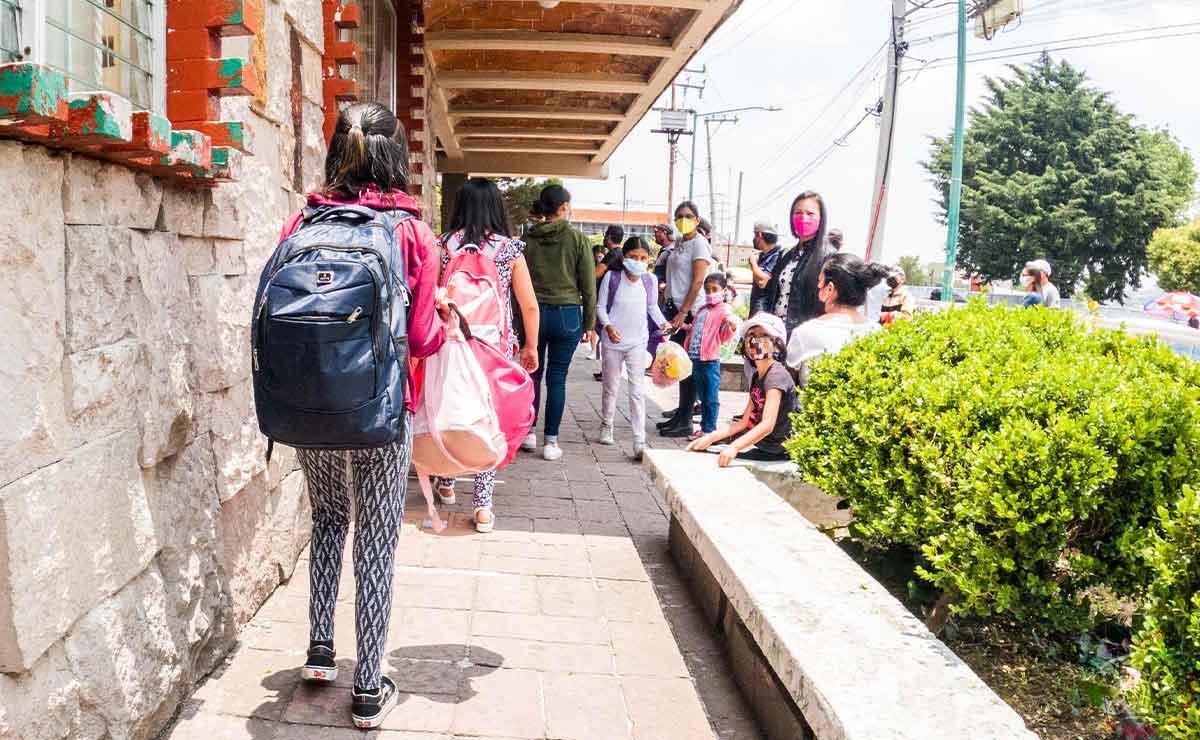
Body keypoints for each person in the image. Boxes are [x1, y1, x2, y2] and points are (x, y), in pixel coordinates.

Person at [278, 102, 450, 728]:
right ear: (396, 156)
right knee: (377, 538)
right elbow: (425, 337)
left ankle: (320, 651)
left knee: (326, 518)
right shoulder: (412, 233)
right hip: (381, 411)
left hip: (311, 405)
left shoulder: (302, 222)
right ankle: (370, 687)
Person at [434, 177, 540, 533]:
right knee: (488, 418)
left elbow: (433, 295)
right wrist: (529, 347)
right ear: (497, 207)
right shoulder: (509, 249)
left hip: (451, 342)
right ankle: (482, 506)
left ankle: (446, 481)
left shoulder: (444, 245)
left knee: (447, 407)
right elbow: (528, 305)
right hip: (494, 348)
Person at [522, 184, 597, 461]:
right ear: (563, 207)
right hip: (567, 314)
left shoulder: (527, 240)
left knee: (531, 374)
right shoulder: (578, 240)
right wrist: (589, 323)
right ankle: (551, 441)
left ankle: (527, 432)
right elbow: (588, 286)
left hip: (533, 313)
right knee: (557, 378)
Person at [596, 237, 671, 460]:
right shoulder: (613, 277)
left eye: (643, 258)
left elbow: (652, 307)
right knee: (611, 386)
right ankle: (607, 423)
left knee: (637, 390)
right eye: (633, 257)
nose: (638, 262)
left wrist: (663, 323)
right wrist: (608, 327)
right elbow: (600, 307)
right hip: (613, 342)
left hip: (638, 341)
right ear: (624, 257)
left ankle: (639, 439)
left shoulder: (649, 280)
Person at [687, 313, 796, 466]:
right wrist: (710, 438)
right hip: (764, 447)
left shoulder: (775, 377)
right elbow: (744, 421)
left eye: (764, 335)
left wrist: (735, 447)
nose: (756, 340)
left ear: (777, 344)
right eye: (751, 335)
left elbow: (767, 425)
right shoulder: (758, 375)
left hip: (777, 451)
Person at [787, 253, 888, 385]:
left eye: (819, 281)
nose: (817, 287)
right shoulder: (878, 333)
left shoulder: (804, 333)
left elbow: (787, 386)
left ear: (830, 289)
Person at [658, 201, 715, 438]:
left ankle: (685, 421)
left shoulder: (700, 244)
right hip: (675, 308)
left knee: (687, 366)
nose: (684, 219)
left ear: (698, 219)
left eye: (689, 215)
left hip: (690, 311)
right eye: (679, 216)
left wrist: (683, 311)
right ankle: (681, 415)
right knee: (678, 363)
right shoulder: (680, 242)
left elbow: (698, 281)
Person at [763, 191, 837, 336]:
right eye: (798, 213)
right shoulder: (787, 255)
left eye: (810, 214)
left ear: (821, 219)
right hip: (776, 334)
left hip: (805, 337)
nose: (803, 218)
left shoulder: (829, 257)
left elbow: (831, 303)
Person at [683, 273, 739, 439]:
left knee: (710, 396)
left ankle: (710, 430)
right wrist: (685, 327)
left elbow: (727, 332)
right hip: (696, 358)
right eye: (707, 290)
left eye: (714, 289)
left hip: (710, 359)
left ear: (724, 290)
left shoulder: (725, 310)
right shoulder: (702, 309)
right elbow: (695, 329)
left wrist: (732, 326)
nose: (710, 293)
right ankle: (704, 427)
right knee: (702, 396)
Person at [591, 225, 625, 376]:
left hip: (609, 300)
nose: (604, 238)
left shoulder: (613, 254)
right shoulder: (620, 253)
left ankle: (609, 370)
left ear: (610, 236)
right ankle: (607, 370)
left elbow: (597, 273)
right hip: (614, 299)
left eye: (606, 235)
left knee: (606, 333)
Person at [748, 221, 781, 316]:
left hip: (764, 310)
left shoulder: (777, 256)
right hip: (756, 307)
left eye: (755, 236)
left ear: (759, 235)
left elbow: (762, 281)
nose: (754, 239)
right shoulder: (762, 256)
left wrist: (753, 263)